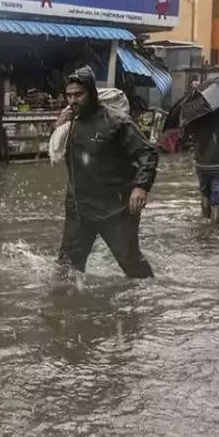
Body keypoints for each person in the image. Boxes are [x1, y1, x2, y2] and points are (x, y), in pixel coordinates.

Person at [55, 66, 159, 279]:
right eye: (69, 95)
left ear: (92, 94)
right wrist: (58, 127)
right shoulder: (69, 123)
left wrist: (141, 187)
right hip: (79, 208)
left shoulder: (116, 122)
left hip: (116, 208)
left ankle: (149, 299)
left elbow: (148, 152)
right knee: (66, 269)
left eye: (78, 95)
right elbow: (55, 153)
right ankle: (65, 308)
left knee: (131, 264)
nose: (73, 100)